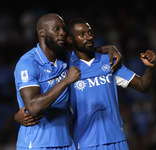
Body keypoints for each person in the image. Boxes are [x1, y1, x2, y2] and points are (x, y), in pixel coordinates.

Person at [14, 13, 122, 150]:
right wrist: (65, 81)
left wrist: (107, 48)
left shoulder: (64, 57)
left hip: (66, 143)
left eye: (64, 29)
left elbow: (84, 52)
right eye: (56, 29)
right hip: (36, 144)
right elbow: (34, 108)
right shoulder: (28, 63)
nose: (62, 33)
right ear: (41, 32)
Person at [65, 18, 156, 150]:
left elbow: (143, 85)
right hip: (86, 143)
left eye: (90, 32)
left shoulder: (108, 61)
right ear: (70, 40)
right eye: (82, 34)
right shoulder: (66, 69)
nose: (89, 37)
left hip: (117, 140)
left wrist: (150, 67)